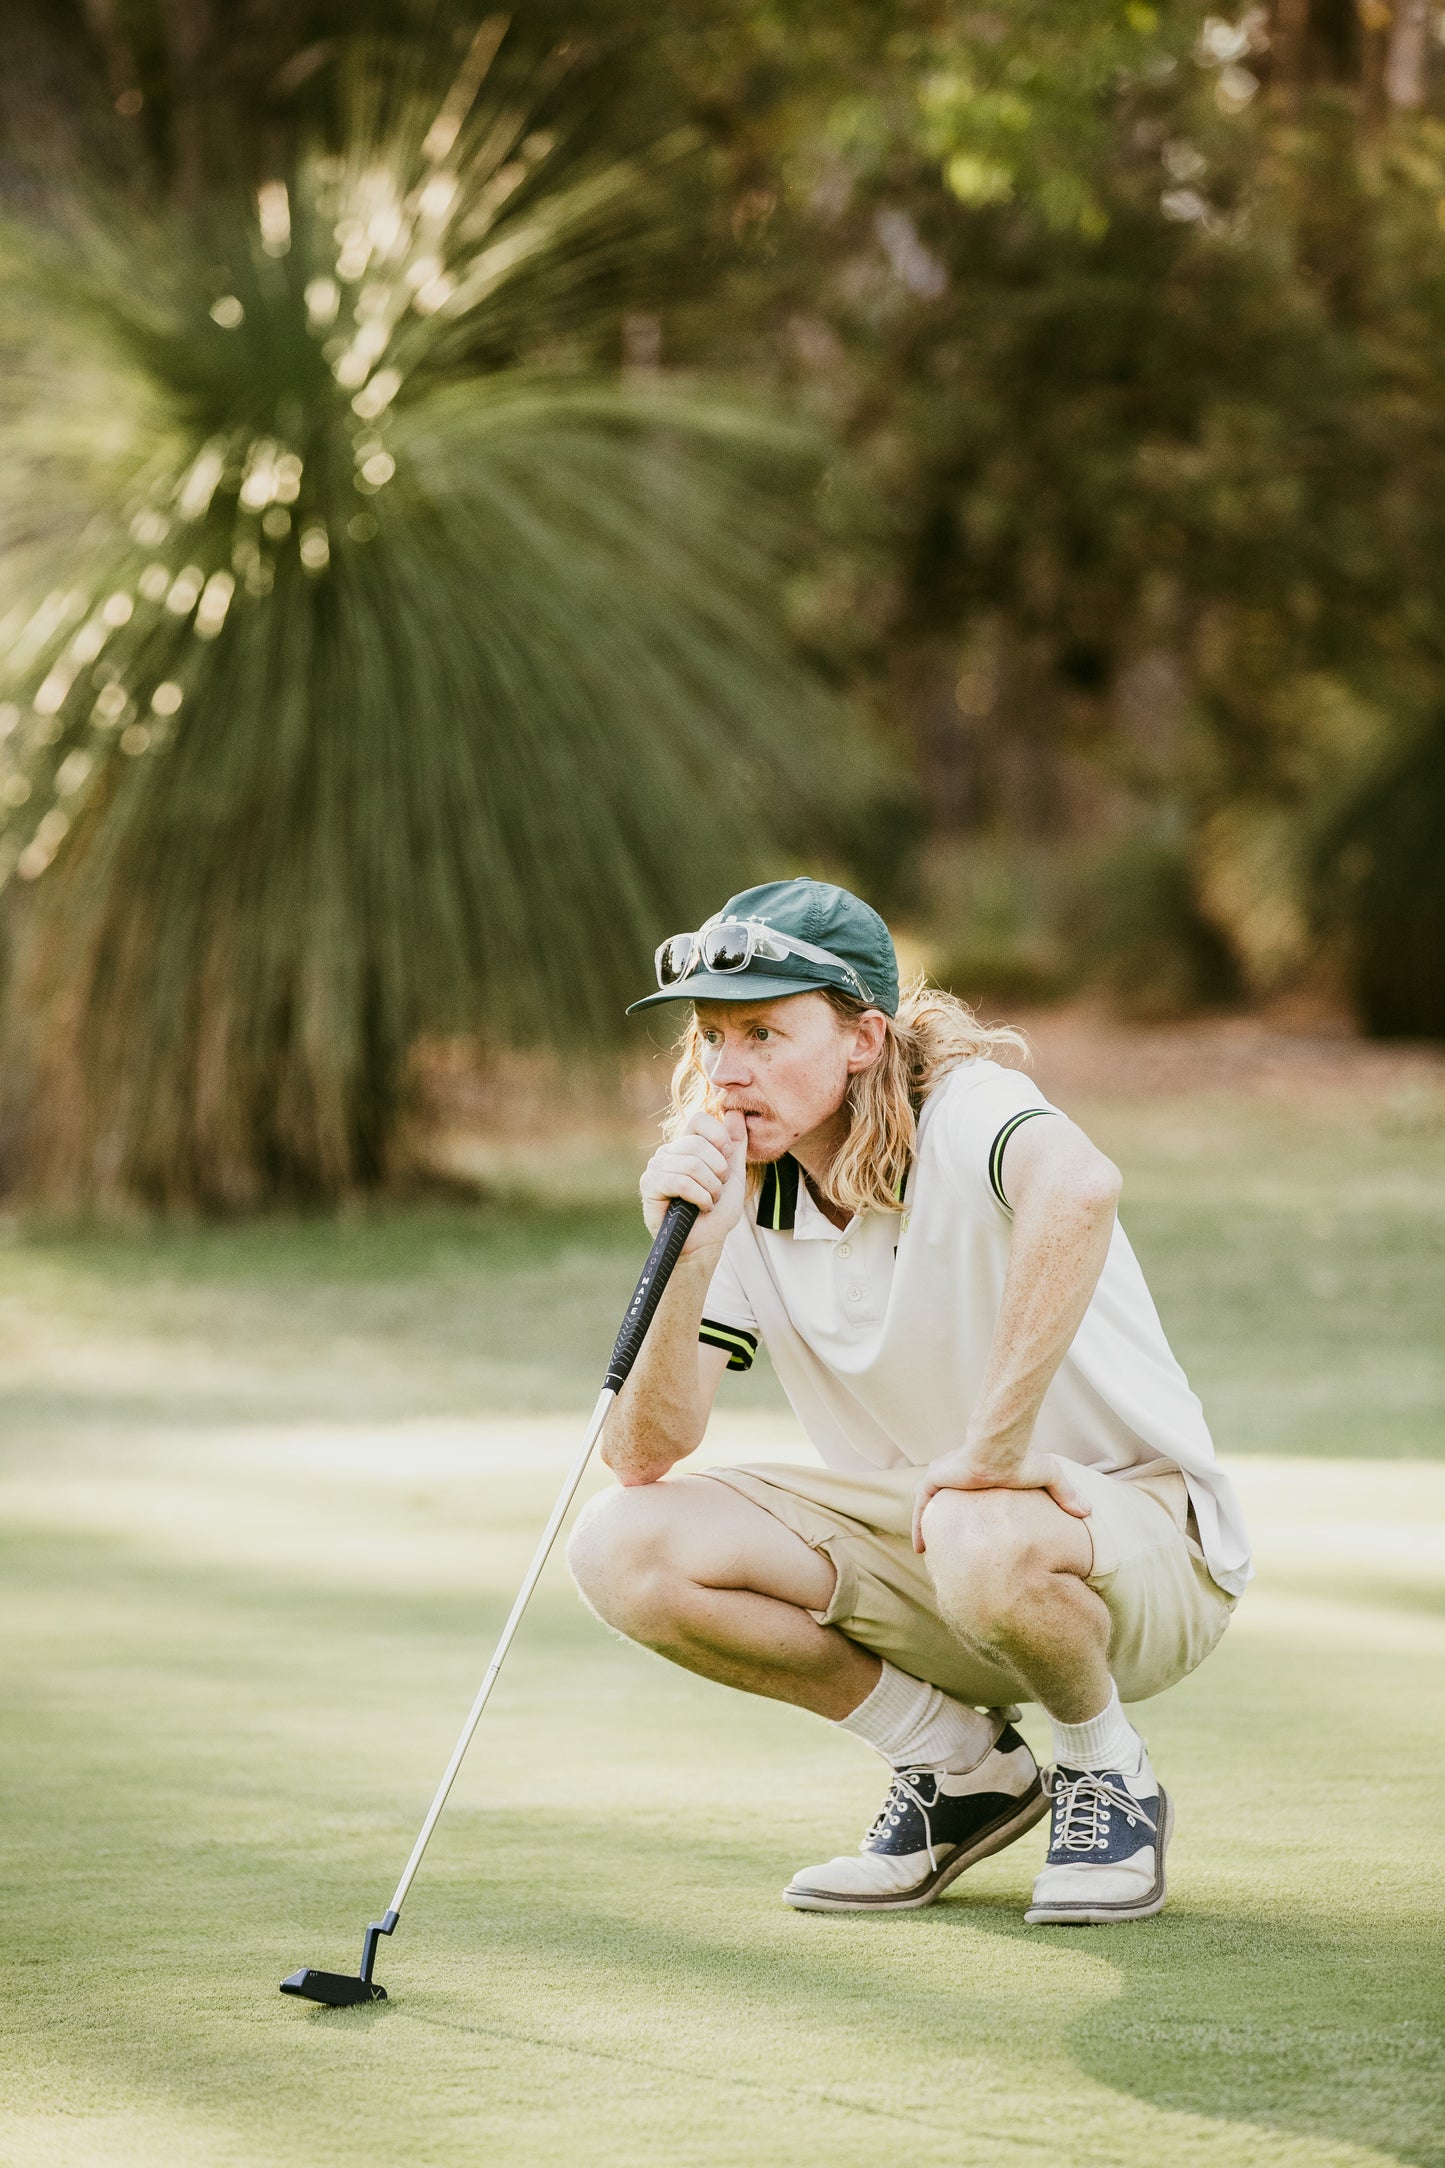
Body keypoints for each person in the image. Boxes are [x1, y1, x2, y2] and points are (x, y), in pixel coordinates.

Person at [568, 878, 1250, 1922]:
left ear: (860, 1037)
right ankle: (956, 1769)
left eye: (763, 1031)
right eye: (711, 1036)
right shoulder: (734, 1190)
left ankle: (1105, 1770)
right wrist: (692, 1254)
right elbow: (641, 1452)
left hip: (1143, 1545)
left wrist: (986, 1452)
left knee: (979, 1524)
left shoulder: (964, 1107)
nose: (729, 1068)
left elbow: (1079, 1188)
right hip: (944, 1547)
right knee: (621, 1543)